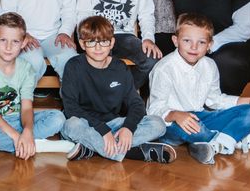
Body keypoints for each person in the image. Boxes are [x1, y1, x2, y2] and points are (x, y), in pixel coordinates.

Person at [149, 12, 250, 164]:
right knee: (195, 129)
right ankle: (230, 137)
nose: (194, 47)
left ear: (209, 45)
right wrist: (176, 115)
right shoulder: (164, 69)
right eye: (186, 41)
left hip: (199, 117)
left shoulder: (210, 65)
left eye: (201, 42)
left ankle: (214, 144)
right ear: (175, 41)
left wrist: (243, 100)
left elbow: (215, 100)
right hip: (171, 125)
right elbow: (153, 110)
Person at [60, 16, 173, 163]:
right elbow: (71, 108)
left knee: (158, 124)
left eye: (104, 41)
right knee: (71, 125)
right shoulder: (73, 66)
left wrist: (128, 128)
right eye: (91, 42)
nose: (98, 47)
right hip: (86, 125)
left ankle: (91, 148)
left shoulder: (120, 67)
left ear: (112, 43)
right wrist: (102, 130)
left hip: (113, 125)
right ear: (82, 44)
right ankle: (133, 152)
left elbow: (136, 104)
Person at [0, 13, 70, 157]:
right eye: (3, 40)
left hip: (17, 120)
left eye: (15, 41)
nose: (9, 47)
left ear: (23, 43)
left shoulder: (26, 69)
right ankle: (36, 145)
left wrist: (28, 131)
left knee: (58, 117)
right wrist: (17, 136)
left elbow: (27, 107)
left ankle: (10, 143)